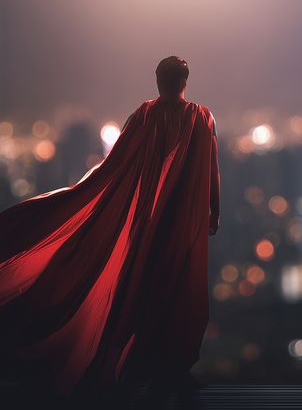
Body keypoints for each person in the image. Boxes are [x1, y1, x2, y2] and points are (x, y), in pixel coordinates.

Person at [0, 56, 220, 396]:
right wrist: (212, 212)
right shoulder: (183, 117)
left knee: (166, 292)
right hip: (174, 224)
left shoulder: (164, 117)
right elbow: (202, 170)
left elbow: (118, 166)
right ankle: (160, 371)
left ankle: (165, 370)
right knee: (169, 291)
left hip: (167, 223)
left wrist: (88, 196)